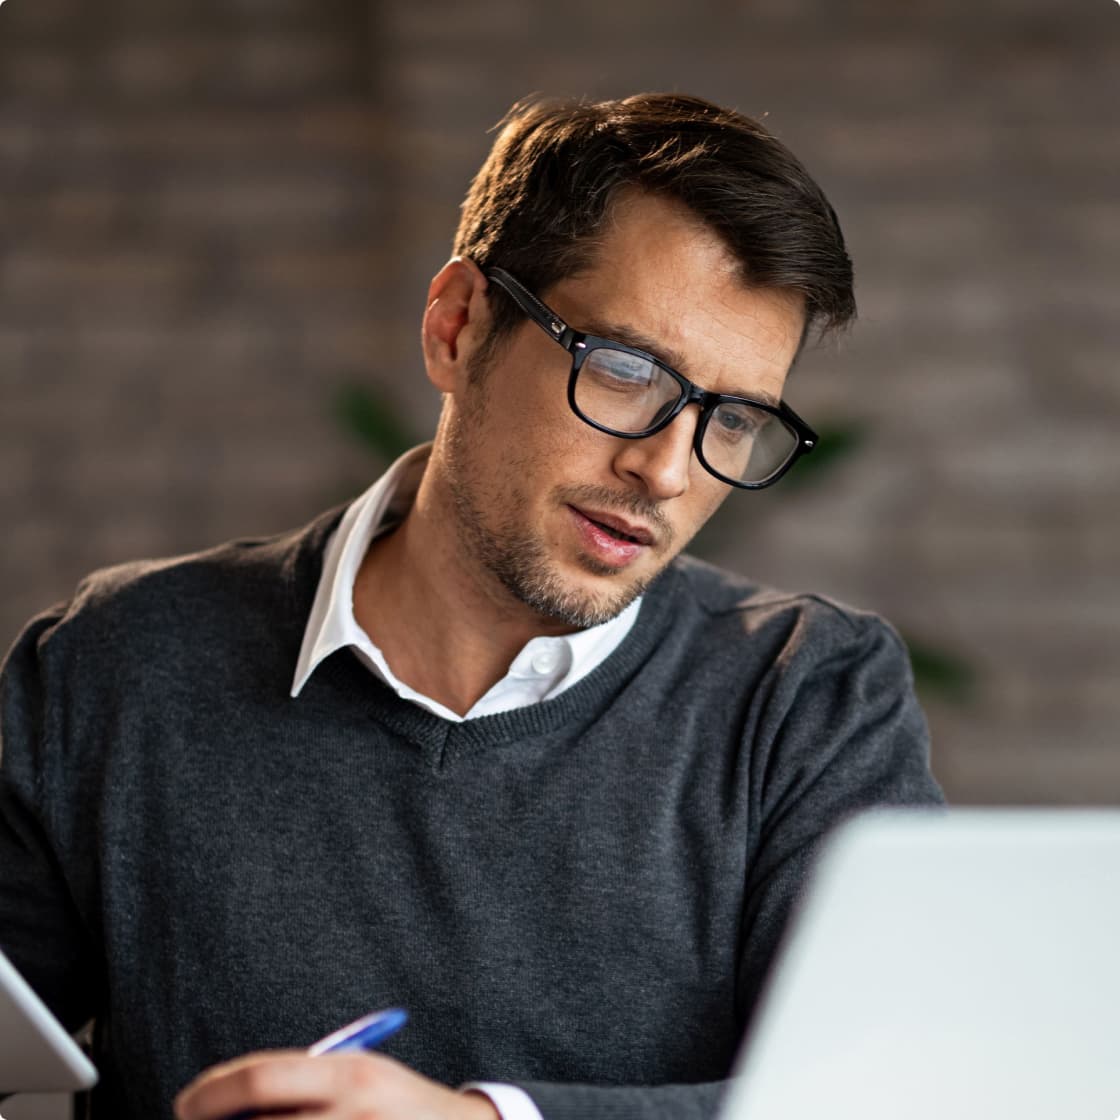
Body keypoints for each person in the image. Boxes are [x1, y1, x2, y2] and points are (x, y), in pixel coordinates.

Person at [0, 92, 942, 1120]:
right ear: (457, 327)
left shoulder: (806, 696)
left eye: (735, 419)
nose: (667, 471)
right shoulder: (115, 665)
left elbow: (896, 1094)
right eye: (627, 372)